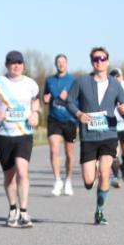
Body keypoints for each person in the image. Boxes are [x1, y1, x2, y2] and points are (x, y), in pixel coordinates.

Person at [64, 47, 124, 225]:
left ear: (108, 61)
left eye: (102, 58)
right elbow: (69, 101)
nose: (99, 61)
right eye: (95, 59)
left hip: (109, 134)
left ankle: (100, 212)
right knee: (88, 181)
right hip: (88, 136)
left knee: (104, 172)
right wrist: (78, 114)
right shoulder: (82, 81)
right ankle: (91, 176)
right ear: (91, 61)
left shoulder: (115, 84)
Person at [0, 50, 41, 227]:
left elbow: (36, 102)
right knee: (9, 176)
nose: (16, 66)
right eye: (12, 63)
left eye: (19, 63)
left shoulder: (31, 84)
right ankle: (13, 209)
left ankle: (24, 212)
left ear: (23, 65)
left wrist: (35, 114)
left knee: (22, 172)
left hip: (24, 134)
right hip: (4, 135)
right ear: (7, 65)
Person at [43, 54, 77, 196]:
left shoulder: (73, 80)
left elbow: (79, 99)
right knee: (54, 149)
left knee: (69, 154)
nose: (61, 64)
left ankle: (68, 180)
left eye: (63, 62)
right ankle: (57, 180)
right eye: (58, 62)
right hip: (54, 119)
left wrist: (68, 97)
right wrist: (45, 99)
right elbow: (45, 97)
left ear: (67, 64)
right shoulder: (49, 80)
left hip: (70, 119)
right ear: (55, 64)